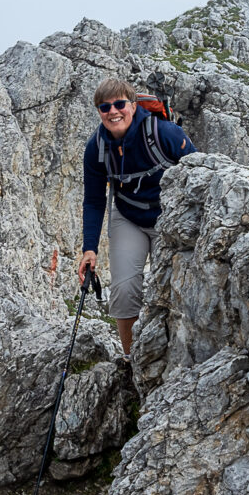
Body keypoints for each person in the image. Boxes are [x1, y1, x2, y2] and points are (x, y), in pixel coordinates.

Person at [77, 79, 196, 359]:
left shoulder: (164, 132)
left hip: (171, 219)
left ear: (132, 106)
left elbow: (200, 172)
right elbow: (93, 201)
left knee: (175, 290)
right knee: (123, 289)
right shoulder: (96, 148)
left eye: (120, 104)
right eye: (105, 107)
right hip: (129, 215)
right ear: (99, 111)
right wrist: (89, 249)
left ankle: (182, 358)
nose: (113, 112)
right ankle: (133, 362)